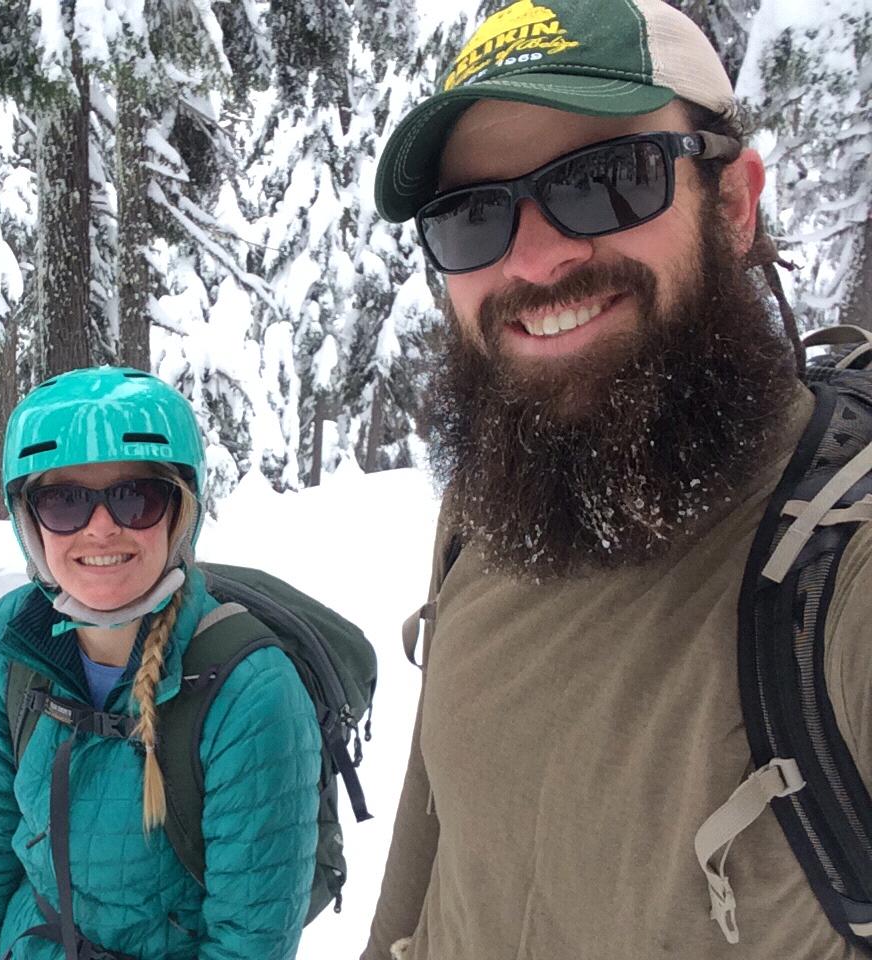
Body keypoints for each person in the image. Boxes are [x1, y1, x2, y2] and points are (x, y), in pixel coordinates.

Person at [363, 1, 872, 958]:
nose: (534, 258)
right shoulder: (489, 505)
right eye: (472, 215)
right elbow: (430, 855)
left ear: (733, 204)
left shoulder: (839, 569)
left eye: (605, 180)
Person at [0, 367, 321, 960]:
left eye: (135, 497)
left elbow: (248, 943)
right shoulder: (8, 642)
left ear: (179, 511)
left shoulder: (250, 690)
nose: (100, 528)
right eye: (64, 501)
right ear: (30, 523)